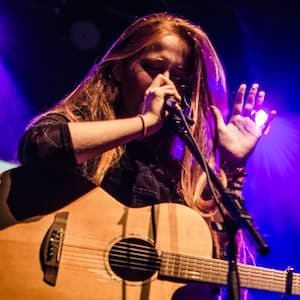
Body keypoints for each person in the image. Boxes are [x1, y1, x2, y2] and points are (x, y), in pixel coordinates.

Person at [17, 12, 275, 299]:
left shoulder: (174, 176)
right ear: (118, 69)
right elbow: (38, 147)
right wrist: (144, 123)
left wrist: (232, 167)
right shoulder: (79, 124)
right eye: (154, 68)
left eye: (179, 78)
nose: (166, 85)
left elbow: (209, 270)